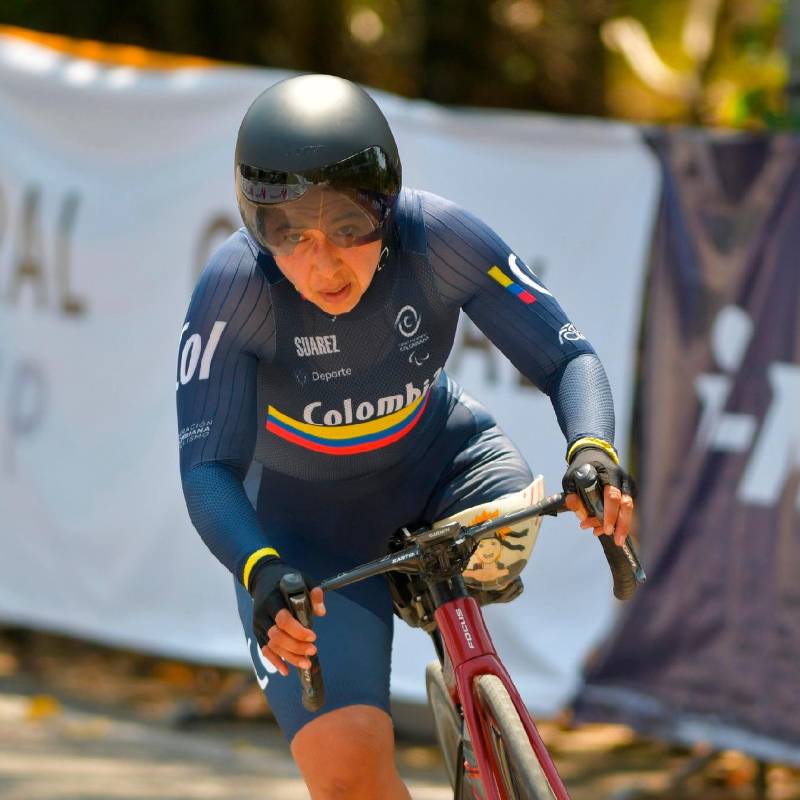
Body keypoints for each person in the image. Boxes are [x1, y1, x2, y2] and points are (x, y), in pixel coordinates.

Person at [177, 73, 635, 800]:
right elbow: (207, 468)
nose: (322, 263)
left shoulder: (441, 239)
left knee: (509, 525)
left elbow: (567, 357)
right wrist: (261, 570)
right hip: (303, 533)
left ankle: (472, 691)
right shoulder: (237, 291)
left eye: (348, 229)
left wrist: (592, 452)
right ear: (256, 227)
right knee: (348, 782)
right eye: (290, 234)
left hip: (448, 472)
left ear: (385, 208)